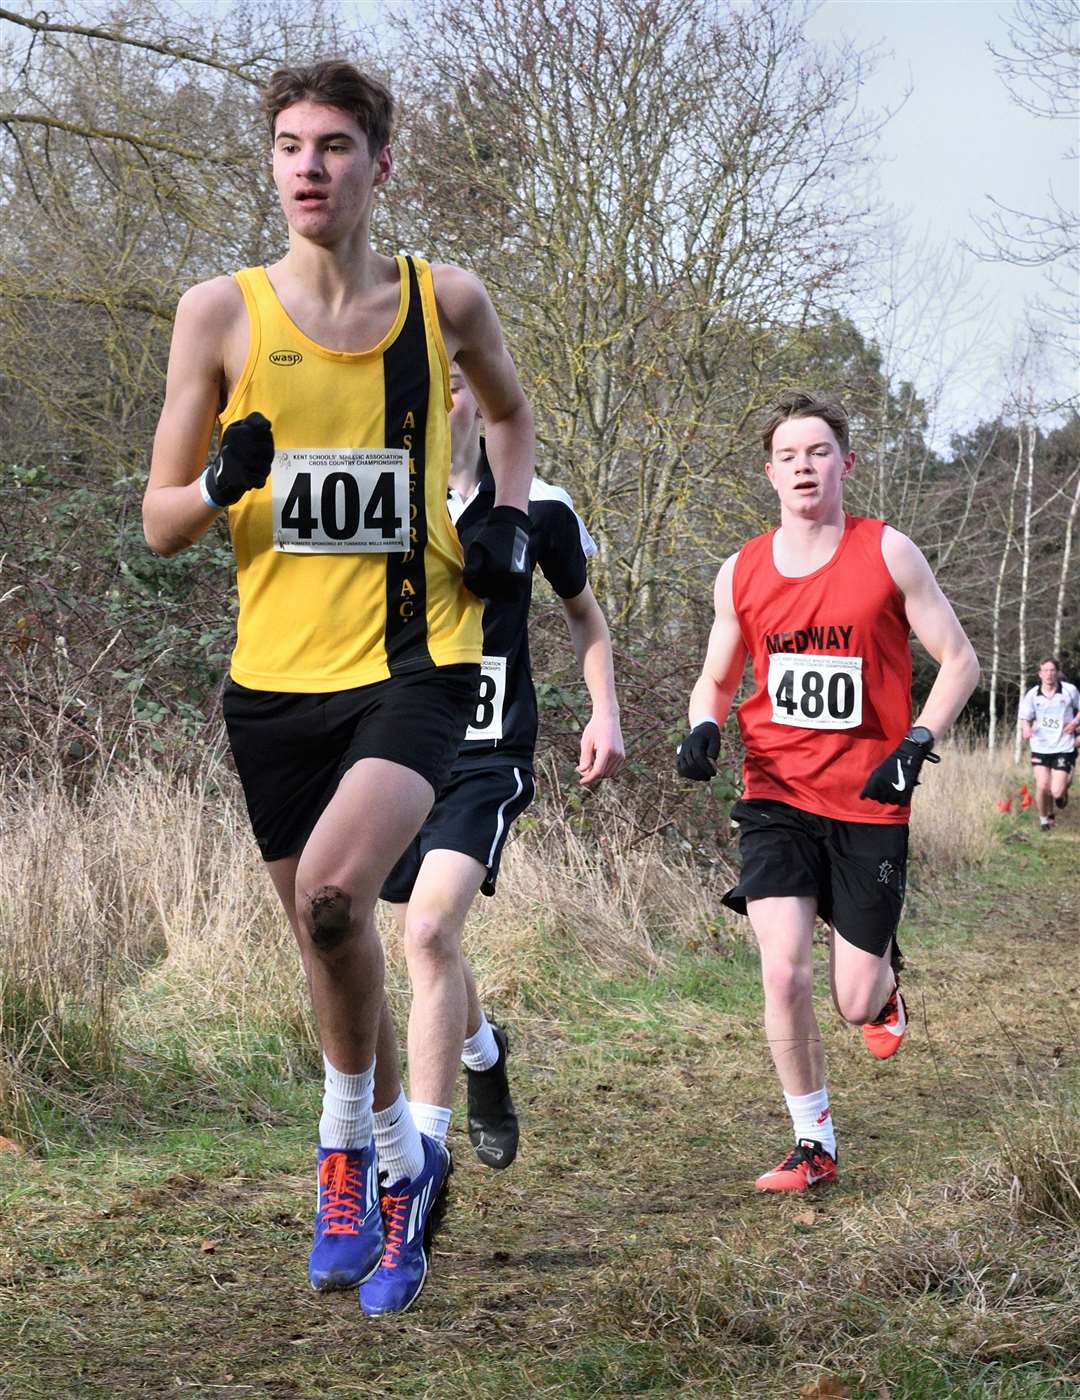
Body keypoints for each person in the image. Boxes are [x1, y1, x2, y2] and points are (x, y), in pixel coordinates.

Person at [142, 60, 535, 1314]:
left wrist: (509, 527)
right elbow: (158, 522)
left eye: (336, 146)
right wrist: (219, 481)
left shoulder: (442, 298)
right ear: (271, 164)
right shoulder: (219, 313)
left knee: (332, 897)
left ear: (380, 165)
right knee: (326, 940)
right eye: (290, 146)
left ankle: (344, 1154)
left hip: (416, 661)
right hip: (273, 683)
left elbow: (513, 418)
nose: (310, 165)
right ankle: (407, 1174)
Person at [677, 389, 979, 1193]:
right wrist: (703, 727)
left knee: (851, 998)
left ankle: (881, 990)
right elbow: (716, 677)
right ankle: (813, 1143)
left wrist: (917, 742)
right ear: (769, 473)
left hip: (871, 798)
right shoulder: (740, 570)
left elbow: (959, 661)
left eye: (818, 453)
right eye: (789, 456)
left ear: (845, 465)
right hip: (774, 794)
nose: (804, 467)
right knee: (782, 973)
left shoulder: (888, 553)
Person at [368, 367, 623, 1266]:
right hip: (400, 749)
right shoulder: (382, 499)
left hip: (487, 755)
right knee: (425, 936)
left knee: (431, 932)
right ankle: (483, 1056)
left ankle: (417, 1174)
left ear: (482, 399)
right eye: (425, 393)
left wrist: (606, 713)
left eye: (455, 389)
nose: (442, 408)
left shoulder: (541, 510)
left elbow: (586, 622)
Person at [1018, 657, 1079, 832]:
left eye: (1052, 670)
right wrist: (1026, 729)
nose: (1049, 674)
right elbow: (1024, 717)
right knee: (1043, 785)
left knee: (1057, 791)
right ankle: (1044, 820)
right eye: (1045, 671)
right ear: (1040, 674)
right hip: (1040, 746)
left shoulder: (1069, 691)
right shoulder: (1032, 694)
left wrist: (1074, 723)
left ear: (1057, 673)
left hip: (1063, 746)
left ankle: (1062, 792)